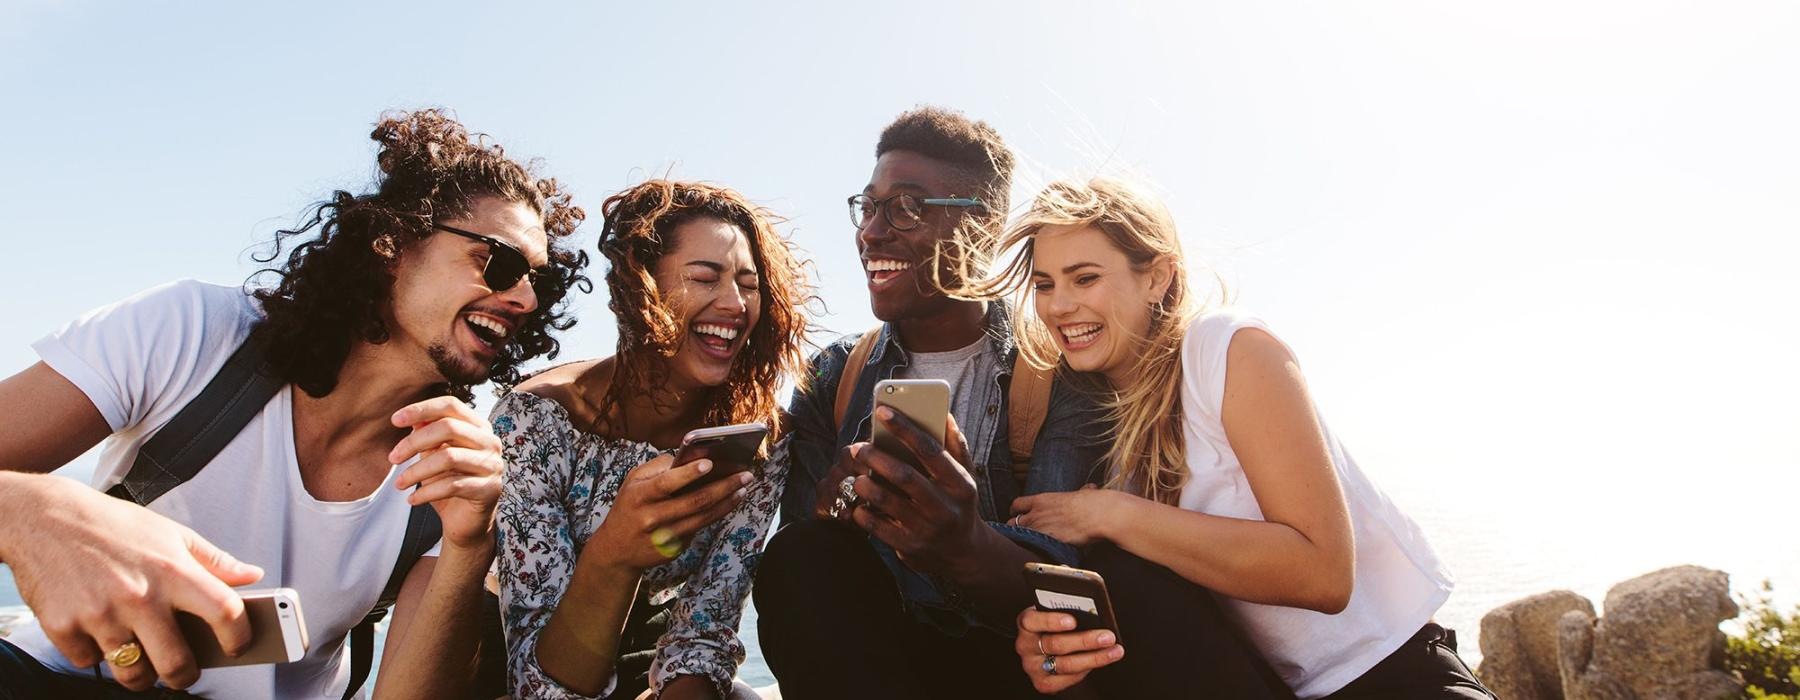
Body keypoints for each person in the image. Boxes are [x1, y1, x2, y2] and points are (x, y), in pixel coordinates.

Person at [0, 109, 588, 698]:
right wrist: (39, 510)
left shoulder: (449, 474)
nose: (526, 298)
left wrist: (468, 544)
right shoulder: (195, 332)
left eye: (544, 282)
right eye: (501, 264)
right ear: (394, 244)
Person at [751, 108, 1272, 700]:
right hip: (882, 661)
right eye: (868, 207)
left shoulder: (1057, 368)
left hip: (1018, 657)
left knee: (1115, 587)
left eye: (908, 207)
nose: (872, 232)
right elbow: (804, 557)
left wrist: (963, 542)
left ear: (986, 224)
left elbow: (1064, 570)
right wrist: (840, 504)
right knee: (801, 556)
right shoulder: (835, 374)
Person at [986, 178, 1492, 698]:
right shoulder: (1094, 430)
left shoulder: (1227, 349)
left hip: (1394, 677)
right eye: (1044, 285)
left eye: (1084, 278)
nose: (1058, 306)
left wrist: (1112, 514)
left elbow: (1324, 574)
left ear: (1158, 277)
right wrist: (1055, 654)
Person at [493, 180, 812, 700]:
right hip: (523, 663)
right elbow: (538, 686)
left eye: (750, 284)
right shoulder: (536, 420)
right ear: (640, 287)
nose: (734, 303)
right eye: (705, 277)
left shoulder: (760, 439)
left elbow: (703, 632)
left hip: (650, 664)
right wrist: (614, 553)